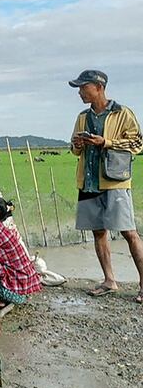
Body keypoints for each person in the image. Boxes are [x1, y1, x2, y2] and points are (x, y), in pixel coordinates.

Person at [68, 69, 143, 302]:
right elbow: (74, 150)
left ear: (99, 87)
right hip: (89, 181)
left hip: (115, 181)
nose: (80, 92)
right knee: (98, 232)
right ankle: (109, 280)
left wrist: (106, 142)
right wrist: (78, 143)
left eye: (83, 87)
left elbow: (138, 143)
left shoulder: (122, 113)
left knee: (129, 232)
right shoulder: (82, 116)